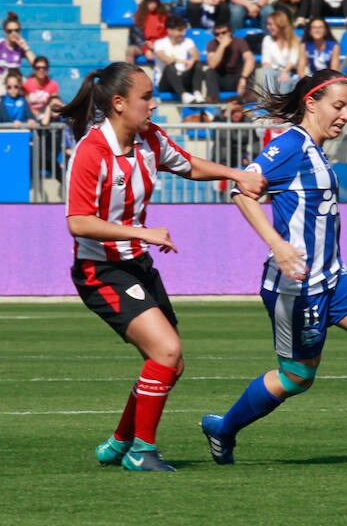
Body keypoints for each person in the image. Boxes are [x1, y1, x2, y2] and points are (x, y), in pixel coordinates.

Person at [200, 69, 347, 468]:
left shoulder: (316, 148)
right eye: (337, 106)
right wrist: (278, 245)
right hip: (298, 288)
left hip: (335, 276)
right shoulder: (289, 145)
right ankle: (224, 429)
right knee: (296, 378)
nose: (344, 115)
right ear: (311, 103)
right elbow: (242, 191)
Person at [60, 61, 264, 472]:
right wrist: (143, 233)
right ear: (119, 104)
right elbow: (77, 222)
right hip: (100, 271)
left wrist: (235, 174)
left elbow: (188, 164)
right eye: (147, 97)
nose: (154, 105)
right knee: (166, 351)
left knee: (171, 362)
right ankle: (142, 451)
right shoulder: (91, 151)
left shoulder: (149, 138)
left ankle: (120, 442)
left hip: (138, 265)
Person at [152, 15, 202, 104]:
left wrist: (192, 60)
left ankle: (197, 92)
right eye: (179, 30)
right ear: (169, 31)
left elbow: (196, 55)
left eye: (183, 30)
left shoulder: (188, 41)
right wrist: (184, 61)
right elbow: (165, 58)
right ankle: (183, 95)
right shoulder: (159, 43)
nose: (183, 33)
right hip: (165, 82)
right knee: (169, 67)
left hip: (182, 78)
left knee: (197, 63)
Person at [204, 22, 255, 102]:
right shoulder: (212, 44)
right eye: (217, 34)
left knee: (250, 69)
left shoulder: (239, 41)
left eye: (223, 33)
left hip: (237, 78)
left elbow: (250, 59)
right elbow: (212, 65)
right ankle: (213, 101)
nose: (220, 36)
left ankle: (247, 101)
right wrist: (222, 46)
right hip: (221, 79)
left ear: (230, 32)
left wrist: (243, 78)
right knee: (209, 72)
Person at [261, 10, 302, 94]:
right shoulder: (267, 40)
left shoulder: (294, 40)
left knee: (285, 80)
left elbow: (293, 61)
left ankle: (280, 103)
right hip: (274, 71)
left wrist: (284, 71)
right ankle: (270, 102)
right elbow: (266, 61)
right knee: (267, 72)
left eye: (270, 24)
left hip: (289, 71)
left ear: (280, 25)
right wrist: (268, 66)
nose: (268, 27)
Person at [125, 0, 168, 64]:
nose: (153, 5)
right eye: (150, 3)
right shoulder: (138, 17)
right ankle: (131, 74)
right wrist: (146, 49)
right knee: (130, 50)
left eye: (155, 3)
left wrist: (155, 46)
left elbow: (166, 35)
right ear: (145, 3)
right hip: (144, 45)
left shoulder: (163, 17)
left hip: (160, 45)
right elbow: (137, 38)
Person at [0, 12, 35, 87]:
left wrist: (26, 48)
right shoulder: (1, 44)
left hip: (15, 82)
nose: (13, 33)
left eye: (16, 30)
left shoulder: (20, 46)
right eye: (10, 31)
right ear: (5, 31)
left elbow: (36, 65)